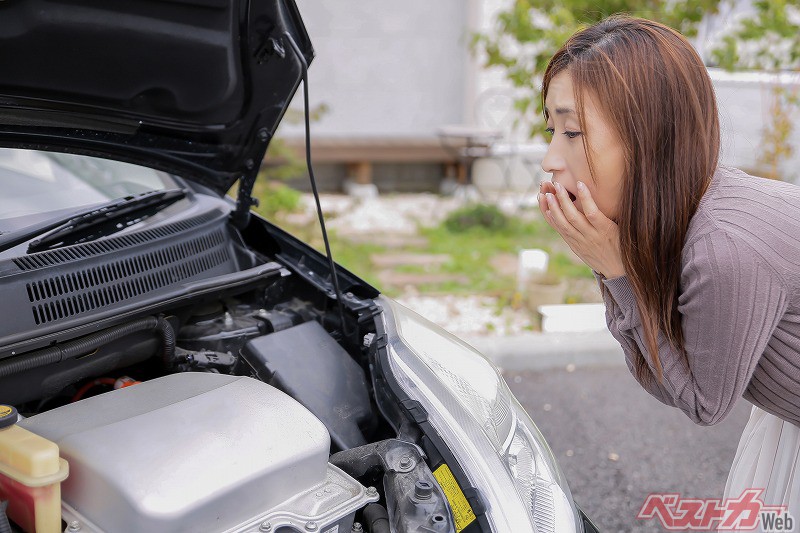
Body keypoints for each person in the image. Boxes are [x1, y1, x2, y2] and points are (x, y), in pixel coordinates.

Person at [536, 14, 800, 528]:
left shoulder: (722, 248)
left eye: (572, 132)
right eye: (552, 130)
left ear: (648, 139)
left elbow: (702, 400)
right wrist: (614, 265)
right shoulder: (700, 197)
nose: (551, 158)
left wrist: (614, 271)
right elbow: (671, 369)